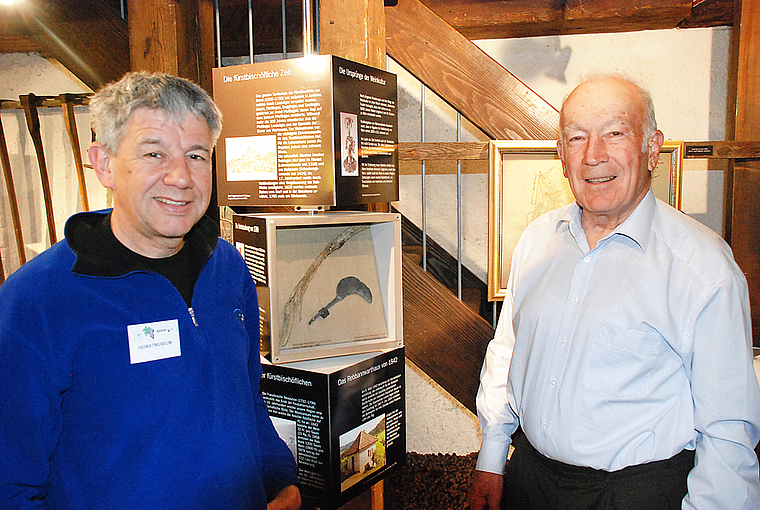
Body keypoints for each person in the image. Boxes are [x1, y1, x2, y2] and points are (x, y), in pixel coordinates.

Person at [0, 72, 301, 509]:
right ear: (104, 163)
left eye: (196, 156)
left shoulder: (228, 269)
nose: (180, 177)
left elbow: (246, 394)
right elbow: (11, 483)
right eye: (154, 153)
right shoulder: (36, 302)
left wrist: (278, 478)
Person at [468, 75, 760, 510]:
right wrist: (492, 456)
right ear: (562, 157)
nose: (593, 156)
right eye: (577, 138)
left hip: (634, 494)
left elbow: (728, 430)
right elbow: (509, 349)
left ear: (652, 147)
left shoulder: (703, 268)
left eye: (615, 133)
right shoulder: (537, 240)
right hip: (531, 479)